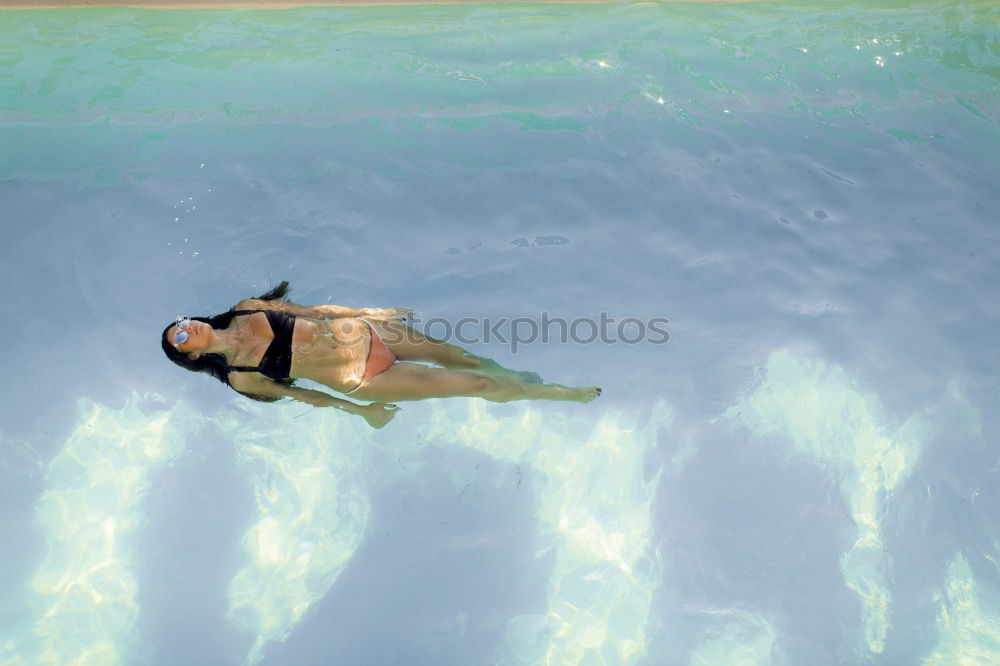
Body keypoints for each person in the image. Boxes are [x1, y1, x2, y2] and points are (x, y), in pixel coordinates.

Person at [161, 281, 601, 429]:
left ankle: (521, 381)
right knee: (478, 385)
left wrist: (372, 312)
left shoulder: (246, 309)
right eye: (180, 338)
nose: (187, 329)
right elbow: (310, 397)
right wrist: (362, 411)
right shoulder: (241, 376)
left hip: (367, 333)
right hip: (365, 379)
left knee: (465, 360)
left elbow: (315, 312)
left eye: (182, 322)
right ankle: (557, 394)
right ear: (192, 358)